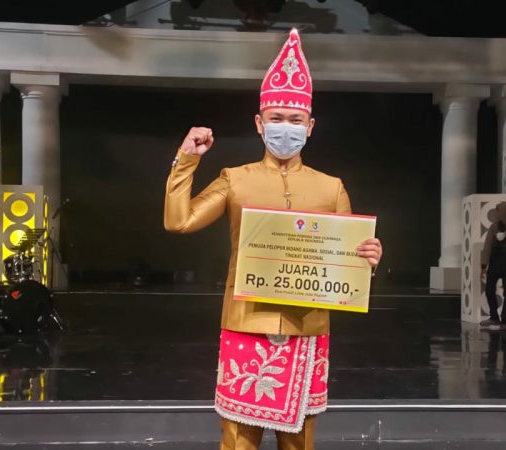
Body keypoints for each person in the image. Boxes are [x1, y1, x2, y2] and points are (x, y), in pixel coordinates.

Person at [164, 29, 382, 450]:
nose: (286, 127)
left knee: (299, 440)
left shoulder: (331, 187)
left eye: (295, 120)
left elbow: (347, 262)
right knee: (237, 439)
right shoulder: (235, 179)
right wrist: (186, 159)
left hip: (307, 328)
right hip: (245, 323)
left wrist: (368, 257)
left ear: (310, 126)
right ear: (259, 124)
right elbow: (179, 221)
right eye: (277, 118)